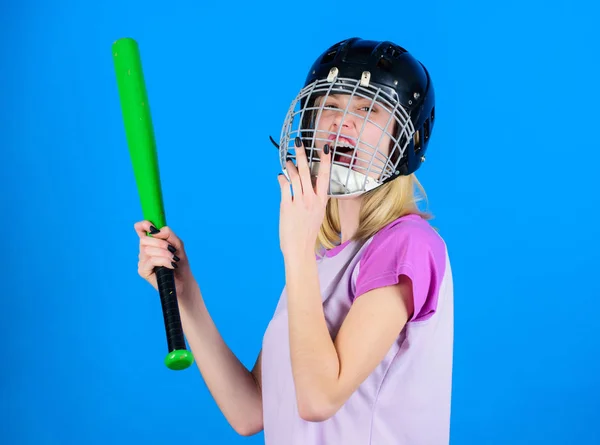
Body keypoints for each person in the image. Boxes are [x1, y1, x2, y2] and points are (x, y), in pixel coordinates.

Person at [134, 37, 453, 445]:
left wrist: (298, 249)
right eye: (330, 106)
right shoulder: (321, 259)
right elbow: (250, 410)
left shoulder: (408, 244)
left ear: (403, 140)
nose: (342, 122)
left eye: (368, 109)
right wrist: (185, 292)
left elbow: (319, 399)